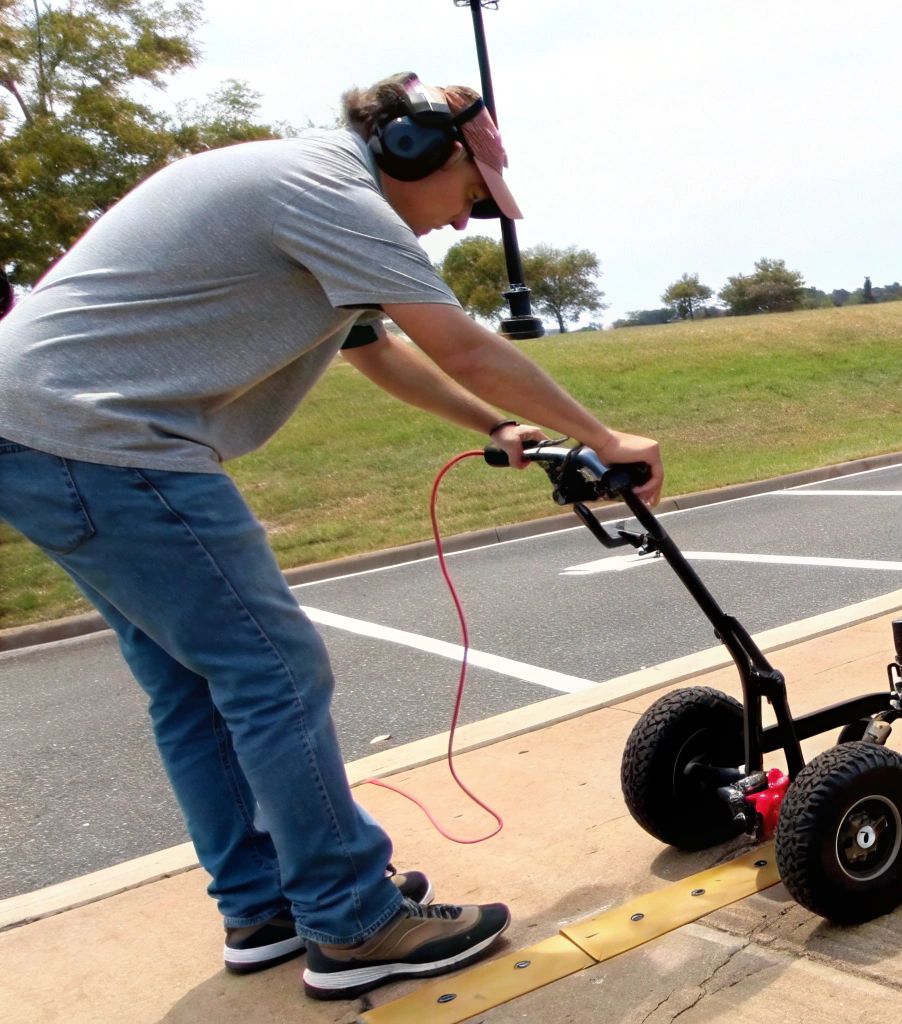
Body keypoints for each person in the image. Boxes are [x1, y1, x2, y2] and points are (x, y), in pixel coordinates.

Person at [0, 72, 662, 1000]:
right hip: (105, 438)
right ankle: (352, 920)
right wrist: (605, 436)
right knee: (273, 670)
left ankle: (266, 902)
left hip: (38, 437)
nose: (467, 222)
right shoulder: (334, 194)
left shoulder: (302, 188)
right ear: (415, 149)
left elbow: (377, 348)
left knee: (196, 684)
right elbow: (460, 342)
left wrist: (494, 427)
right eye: (471, 196)